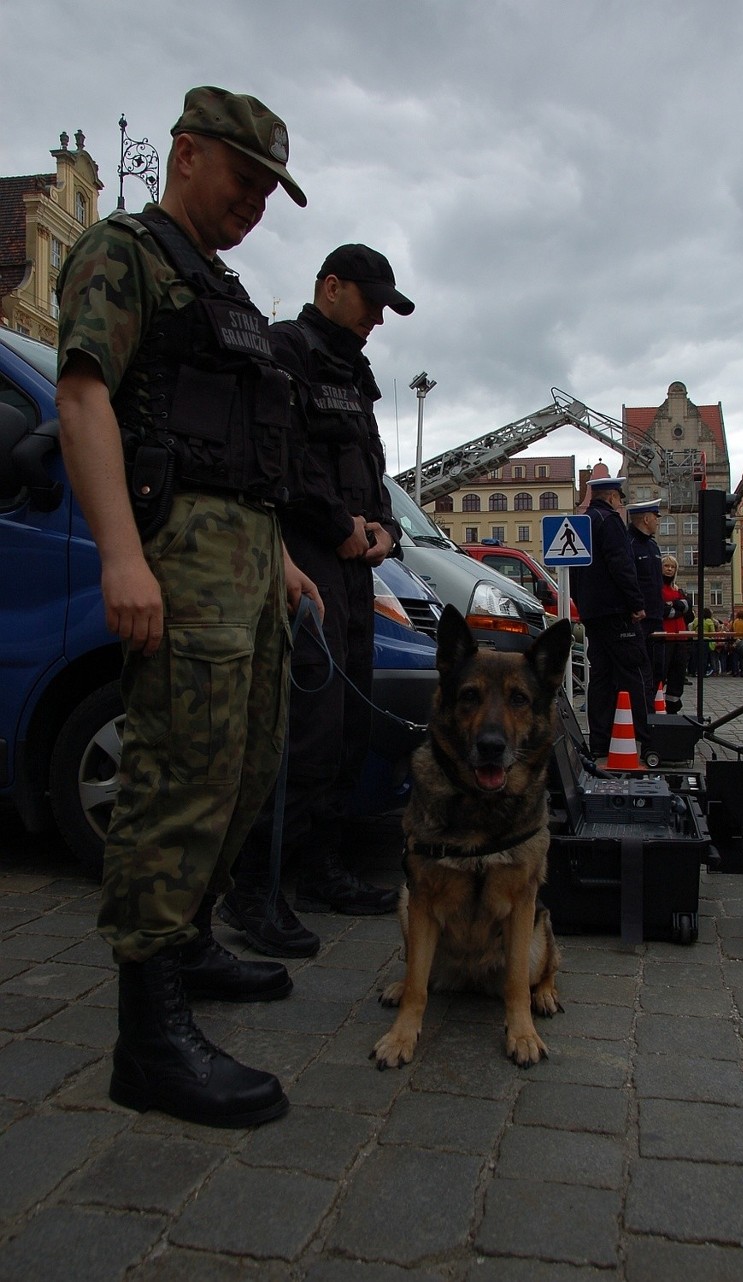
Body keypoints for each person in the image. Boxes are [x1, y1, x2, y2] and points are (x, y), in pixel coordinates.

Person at [55, 86, 319, 1129]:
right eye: (246, 179)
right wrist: (121, 554)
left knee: (244, 763)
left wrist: (282, 558)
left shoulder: (222, 287)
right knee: (177, 777)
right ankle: (148, 1038)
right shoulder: (126, 253)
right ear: (187, 155)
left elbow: (247, 445)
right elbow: (83, 396)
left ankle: (196, 942)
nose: (256, 203)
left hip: (248, 559)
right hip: (177, 557)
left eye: (269, 189)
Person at [221, 245, 412, 956]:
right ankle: (256, 891)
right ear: (330, 288)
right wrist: (341, 530)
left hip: (356, 568)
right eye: (370, 303)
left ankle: (322, 869)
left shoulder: (355, 374)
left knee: (346, 728)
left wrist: (386, 530)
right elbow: (283, 463)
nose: (376, 321)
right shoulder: (285, 351)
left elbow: (372, 472)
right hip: (302, 557)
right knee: (302, 727)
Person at [571, 476, 651, 761]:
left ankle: (600, 741)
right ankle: (646, 736)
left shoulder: (583, 522)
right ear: (613, 497)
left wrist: (583, 605)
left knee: (601, 677)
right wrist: (636, 603)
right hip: (617, 612)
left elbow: (575, 569)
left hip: (593, 614)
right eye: (620, 497)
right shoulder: (610, 521)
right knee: (635, 671)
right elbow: (621, 564)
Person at [626, 499, 663, 711]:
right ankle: (643, 713)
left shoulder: (652, 545)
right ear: (646, 518)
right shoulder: (630, 543)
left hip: (656, 617)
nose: (657, 522)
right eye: (656, 518)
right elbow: (631, 580)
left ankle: (652, 709)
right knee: (641, 669)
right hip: (640, 618)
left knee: (657, 668)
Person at [658, 555, 693, 712]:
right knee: (661, 673)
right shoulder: (657, 588)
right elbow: (662, 611)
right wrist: (678, 608)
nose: (669, 569)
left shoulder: (679, 590)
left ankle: (673, 706)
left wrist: (674, 607)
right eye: (666, 566)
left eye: (672, 567)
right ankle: (656, 703)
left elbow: (688, 610)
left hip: (681, 637)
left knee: (678, 675)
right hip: (664, 637)